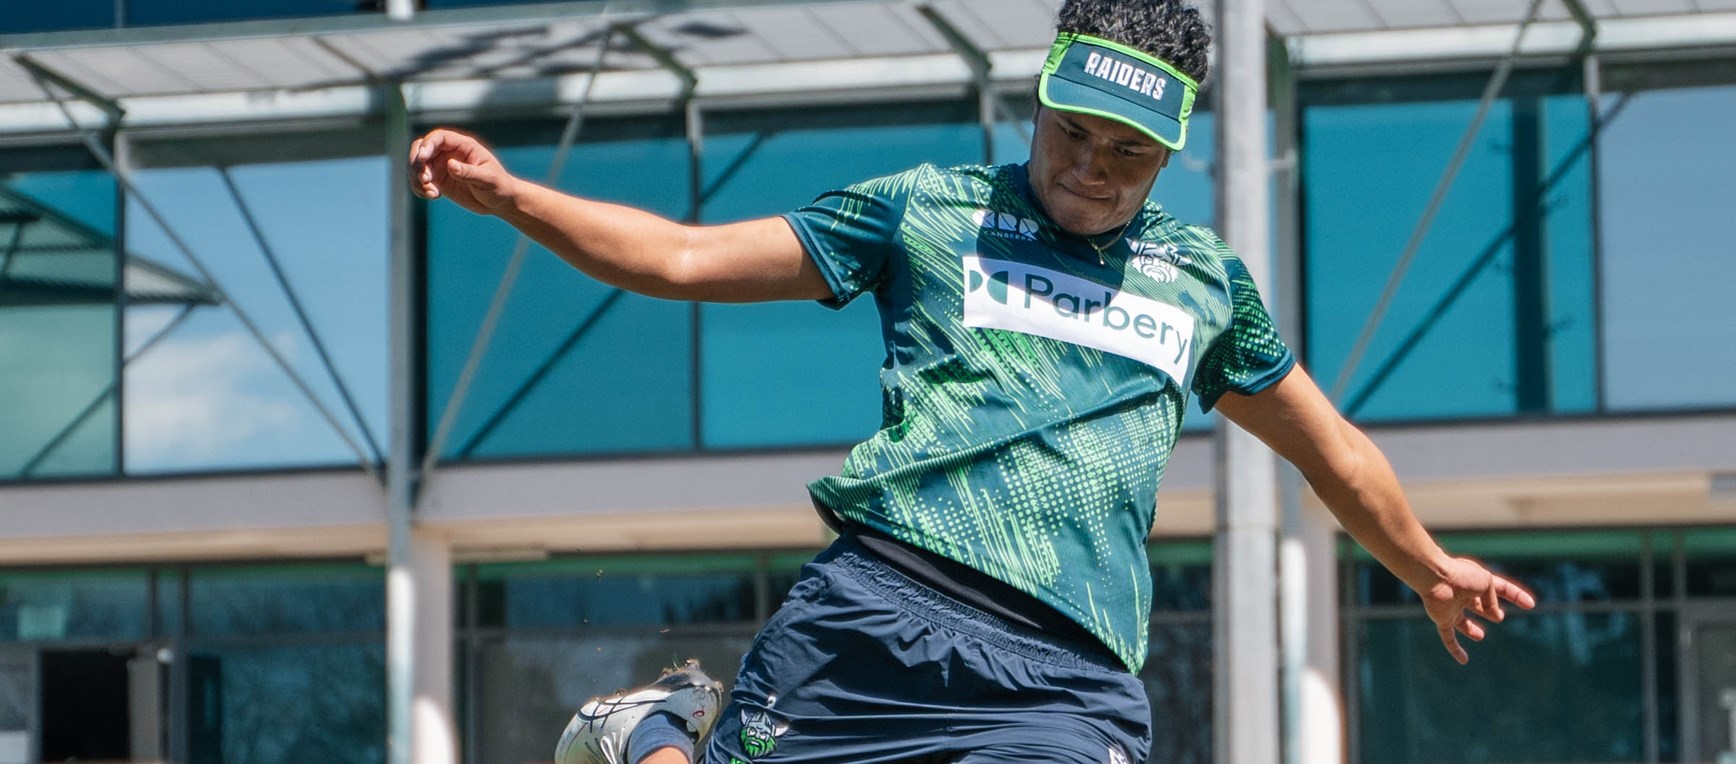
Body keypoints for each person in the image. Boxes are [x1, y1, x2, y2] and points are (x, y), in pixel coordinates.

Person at [409, 1, 1537, 762]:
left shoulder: (1201, 284)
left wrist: (1427, 565)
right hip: (875, 613)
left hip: (1066, 668)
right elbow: (684, 257)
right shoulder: (929, 209)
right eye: (1072, 133)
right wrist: (514, 198)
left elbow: (1324, 444)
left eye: (1126, 154)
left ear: (1170, 150)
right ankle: (649, 733)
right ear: (1036, 103)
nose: (1090, 170)